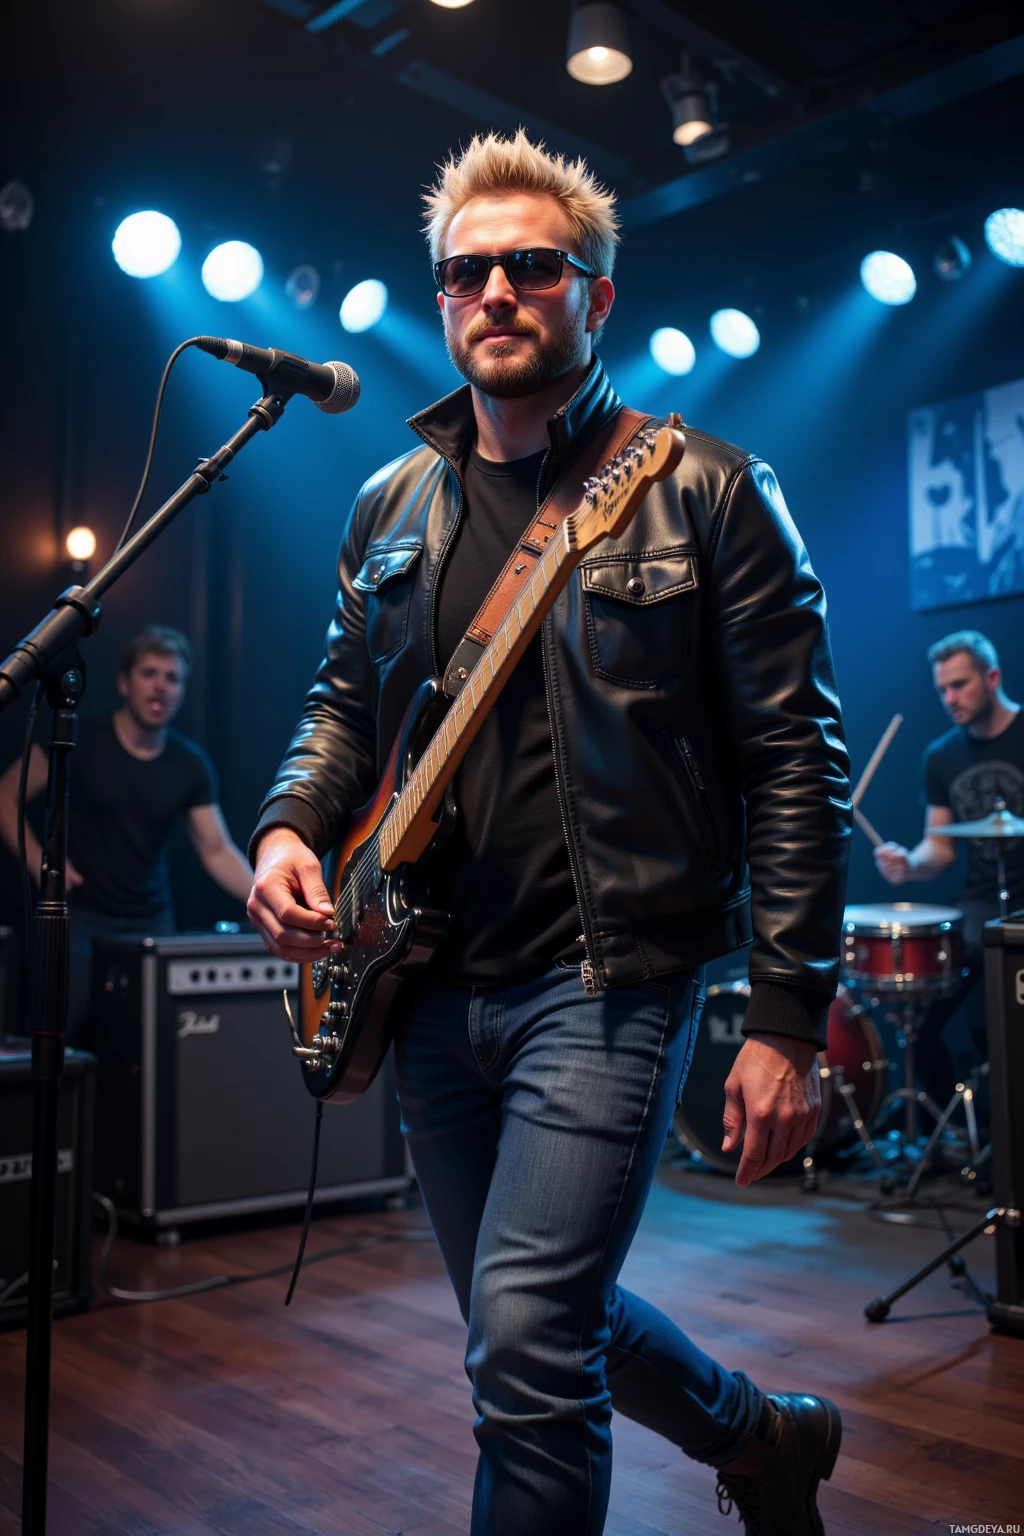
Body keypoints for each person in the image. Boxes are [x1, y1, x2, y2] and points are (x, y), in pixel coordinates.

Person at [247, 131, 851, 1536]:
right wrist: (290, 827)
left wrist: (789, 1013)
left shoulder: (705, 488)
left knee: (525, 1337)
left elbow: (794, 761)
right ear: (441, 298)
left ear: (596, 297)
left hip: (607, 980)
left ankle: (755, 1441)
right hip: (426, 979)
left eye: (534, 267)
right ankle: (762, 1439)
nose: (498, 292)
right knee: (530, 1321)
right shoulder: (388, 505)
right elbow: (341, 708)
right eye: (470, 273)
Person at [0, 625, 253, 1045]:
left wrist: (271, 897)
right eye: (150, 673)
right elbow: (5, 795)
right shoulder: (79, 738)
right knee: (64, 1042)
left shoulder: (189, 764)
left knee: (152, 1046)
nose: (161, 686)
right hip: (78, 917)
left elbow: (217, 851)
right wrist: (40, 862)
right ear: (124, 682)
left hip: (150, 920)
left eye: (173, 678)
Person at [875, 630, 1023, 1109]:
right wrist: (907, 863)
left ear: (993, 677)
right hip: (980, 908)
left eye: (960, 685)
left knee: (998, 1025)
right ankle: (952, 1135)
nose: (950, 698)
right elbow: (938, 849)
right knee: (918, 1018)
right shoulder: (941, 755)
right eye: (943, 689)